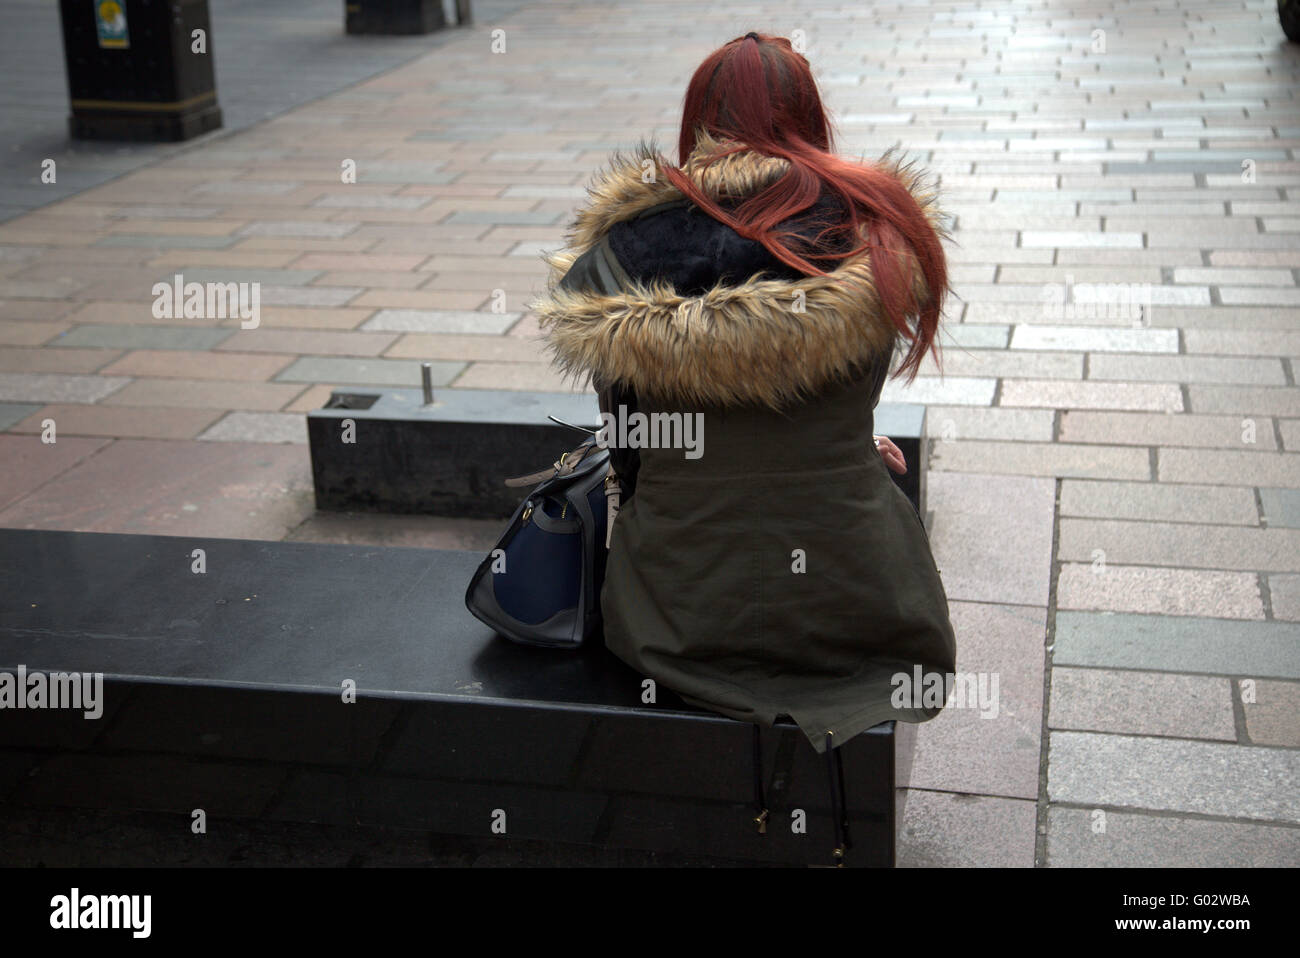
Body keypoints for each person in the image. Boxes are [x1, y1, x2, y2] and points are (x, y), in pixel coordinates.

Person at [530, 31, 957, 857]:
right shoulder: (875, 223)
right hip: (866, 604)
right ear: (810, 115)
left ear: (697, 121)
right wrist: (843, 446)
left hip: (676, 615)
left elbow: (631, 451)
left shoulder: (626, 252)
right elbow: (822, 398)